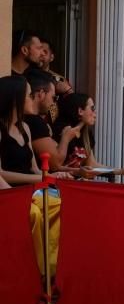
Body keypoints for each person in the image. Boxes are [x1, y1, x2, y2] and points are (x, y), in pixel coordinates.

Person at [0, 75, 69, 278]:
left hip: (30, 191)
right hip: (8, 194)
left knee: (64, 204)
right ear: (15, 99)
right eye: (29, 95)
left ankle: (54, 269)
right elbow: (1, 173)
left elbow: (35, 170)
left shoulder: (26, 128)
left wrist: (55, 175)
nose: (33, 98)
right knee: (38, 213)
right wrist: (40, 180)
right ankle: (41, 272)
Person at [24, 69, 75, 171]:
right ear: (41, 94)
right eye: (54, 97)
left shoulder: (33, 120)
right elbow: (55, 163)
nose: (53, 103)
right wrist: (66, 137)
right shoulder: (34, 122)